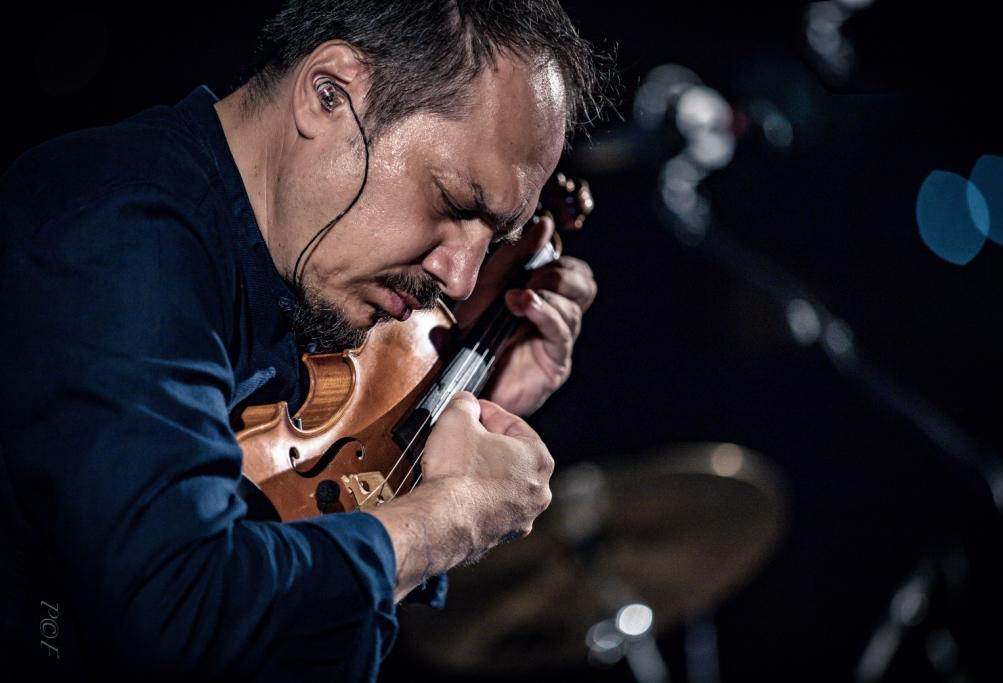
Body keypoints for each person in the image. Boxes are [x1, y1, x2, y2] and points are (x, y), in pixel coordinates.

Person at [0, 0, 607, 680]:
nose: (462, 280)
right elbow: (183, 615)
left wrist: (459, 395)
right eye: (455, 203)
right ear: (329, 95)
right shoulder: (125, 235)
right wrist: (447, 519)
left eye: (493, 240)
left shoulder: (285, 273)